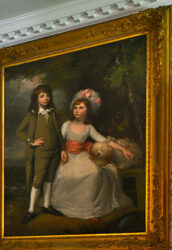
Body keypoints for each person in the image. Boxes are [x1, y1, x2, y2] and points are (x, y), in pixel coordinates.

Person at [49, 89, 135, 221]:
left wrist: (123, 149)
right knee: (66, 177)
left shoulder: (88, 127)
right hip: (68, 156)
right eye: (75, 108)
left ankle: (90, 210)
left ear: (87, 111)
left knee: (95, 173)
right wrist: (62, 151)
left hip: (82, 156)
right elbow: (59, 140)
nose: (77, 110)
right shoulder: (67, 124)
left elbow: (103, 140)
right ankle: (66, 207)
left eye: (81, 108)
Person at [15, 84, 65, 224]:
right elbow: (19, 132)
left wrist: (62, 149)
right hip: (41, 153)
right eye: (42, 96)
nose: (46, 98)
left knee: (49, 179)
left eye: (47, 95)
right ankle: (31, 210)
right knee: (38, 181)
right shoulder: (32, 115)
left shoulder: (53, 113)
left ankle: (46, 205)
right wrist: (32, 141)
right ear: (36, 98)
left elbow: (59, 133)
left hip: (54, 152)